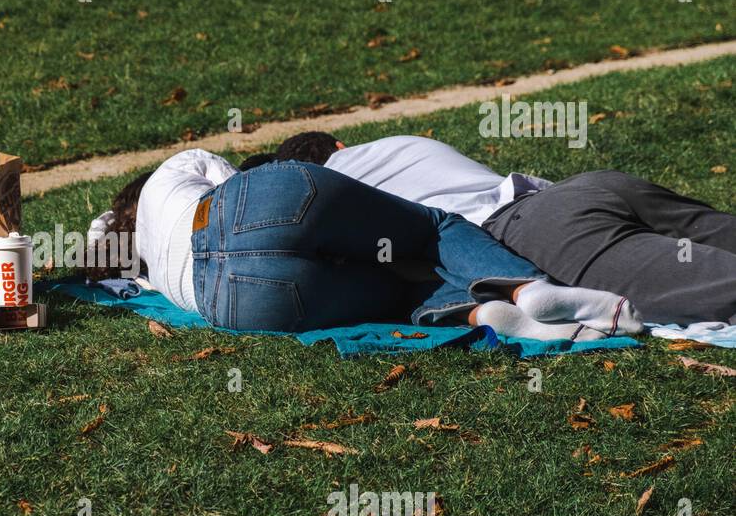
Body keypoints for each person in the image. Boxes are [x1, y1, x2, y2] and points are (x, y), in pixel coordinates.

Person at [94, 149, 641, 340]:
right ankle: (527, 288)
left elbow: (102, 244)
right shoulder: (168, 176)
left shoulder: (156, 279)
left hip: (233, 299)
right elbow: (235, 182)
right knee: (430, 228)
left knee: (398, 295)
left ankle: (483, 316)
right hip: (247, 208)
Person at [272, 132, 736, 326]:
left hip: (534, 235)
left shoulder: (330, 196)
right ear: (340, 144)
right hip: (586, 188)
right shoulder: (401, 143)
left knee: (717, 286)